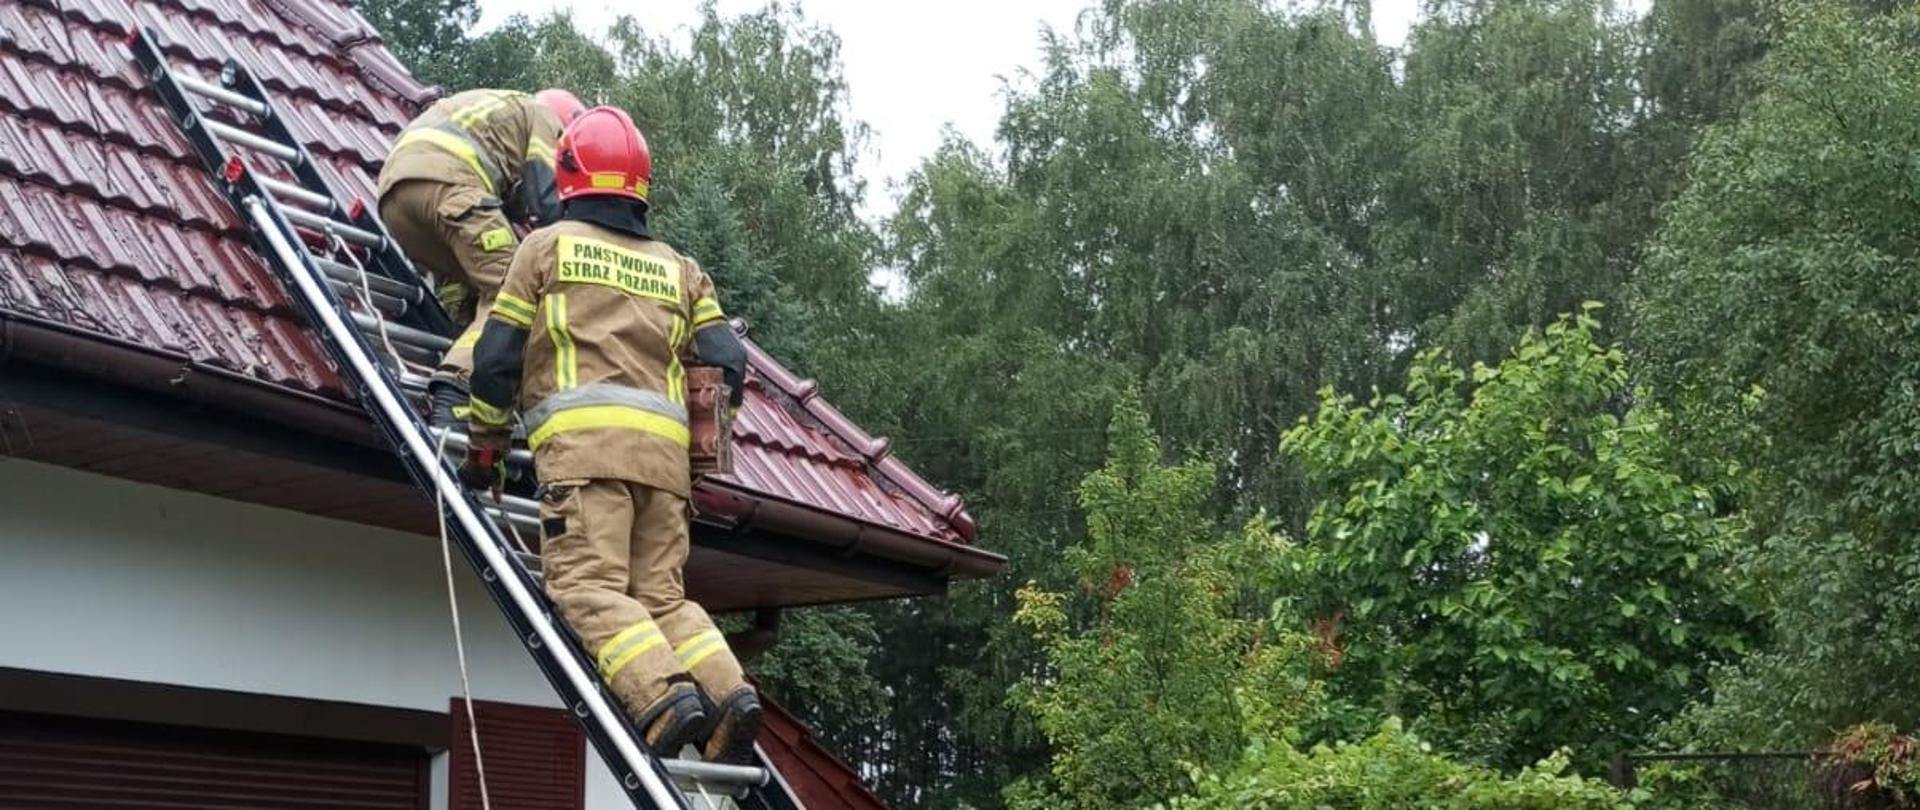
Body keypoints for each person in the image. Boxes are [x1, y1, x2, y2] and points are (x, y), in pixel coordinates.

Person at [458, 106, 761, 763]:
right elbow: (726, 361)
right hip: (666, 470)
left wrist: (483, 452)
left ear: (568, 176)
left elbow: (498, 355)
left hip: (584, 458)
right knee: (661, 598)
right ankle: (729, 693)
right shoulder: (682, 269)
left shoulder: (545, 250)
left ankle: (664, 698)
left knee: (587, 589)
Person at [376, 88, 586, 425]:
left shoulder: (495, 112)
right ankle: (459, 385)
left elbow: (513, 206)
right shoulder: (545, 119)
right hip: (452, 187)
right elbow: (545, 196)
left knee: (472, 283)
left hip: (395, 199)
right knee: (517, 294)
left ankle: (463, 330)